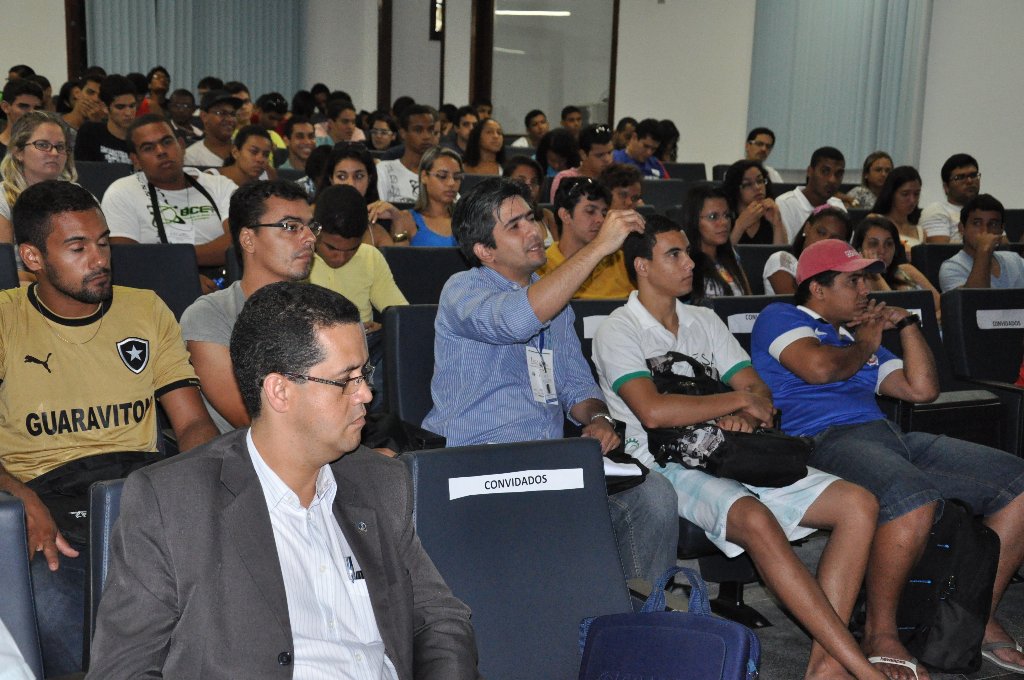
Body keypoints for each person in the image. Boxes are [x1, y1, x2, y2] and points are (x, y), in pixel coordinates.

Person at [88, 281, 481, 679]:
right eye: (347, 379)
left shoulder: (379, 481)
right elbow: (123, 669)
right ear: (280, 391)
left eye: (365, 373)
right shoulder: (173, 503)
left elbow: (439, 619)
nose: (366, 393)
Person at [593, 216, 885, 680]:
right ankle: (858, 666)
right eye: (674, 254)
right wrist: (735, 401)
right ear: (642, 266)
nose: (690, 263)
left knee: (857, 504)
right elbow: (654, 412)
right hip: (663, 461)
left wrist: (746, 414)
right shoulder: (619, 329)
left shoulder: (704, 320)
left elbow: (757, 390)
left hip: (732, 448)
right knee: (755, 519)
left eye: (688, 253)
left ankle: (826, 667)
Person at [751, 238, 1024, 680]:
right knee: (912, 498)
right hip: (821, 440)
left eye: (867, 279)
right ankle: (881, 634)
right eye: (853, 281)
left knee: (1017, 483)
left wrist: (907, 324)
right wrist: (866, 342)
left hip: (888, 437)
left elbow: (921, 389)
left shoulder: (858, 339)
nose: (866, 290)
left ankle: (974, 616)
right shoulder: (782, 317)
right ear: (817, 289)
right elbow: (818, 369)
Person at [2, 180, 218, 676]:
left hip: (138, 493)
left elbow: (191, 422)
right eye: (77, 248)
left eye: (103, 242)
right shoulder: (5, 319)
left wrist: (203, 482)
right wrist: (19, 499)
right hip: (47, 503)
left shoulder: (145, 309)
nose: (99, 259)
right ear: (33, 257)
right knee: (57, 614)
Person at [422, 177, 679, 587]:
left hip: (545, 463)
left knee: (653, 496)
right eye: (515, 226)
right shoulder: (463, 289)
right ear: (485, 251)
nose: (533, 231)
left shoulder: (554, 302)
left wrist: (598, 419)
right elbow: (515, 321)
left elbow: (578, 387)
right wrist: (598, 247)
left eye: (531, 218)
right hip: (476, 465)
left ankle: (640, 613)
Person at [180, 180, 319, 433]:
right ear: (248, 239)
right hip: (253, 454)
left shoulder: (321, 311)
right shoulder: (210, 316)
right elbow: (253, 420)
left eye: (311, 227)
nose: (309, 238)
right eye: (291, 227)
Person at [103, 114, 236, 288]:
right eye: (148, 148)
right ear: (136, 159)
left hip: (225, 283)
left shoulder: (220, 185)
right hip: (158, 286)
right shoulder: (122, 192)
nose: (161, 151)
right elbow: (125, 259)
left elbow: (240, 241)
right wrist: (182, 275)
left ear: (181, 145)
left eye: (167, 142)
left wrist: (173, 259)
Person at [310, 184, 408, 407]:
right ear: (316, 231)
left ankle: (377, 417)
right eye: (332, 248)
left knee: (395, 343)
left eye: (351, 250)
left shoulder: (369, 257)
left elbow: (402, 314)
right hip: (314, 349)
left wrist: (386, 326)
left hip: (363, 352)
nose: (340, 258)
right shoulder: (297, 258)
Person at [0, 112, 77, 268]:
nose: (54, 153)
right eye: (42, 145)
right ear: (18, 152)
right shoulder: (2, 198)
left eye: (60, 147)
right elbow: (4, 270)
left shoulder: (79, 196)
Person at [537, 177, 633, 299]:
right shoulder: (540, 266)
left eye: (604, 213)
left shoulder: (622, 262)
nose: (600, 220)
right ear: (565, 215)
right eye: (590, 211)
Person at [851, 216, 940, 317]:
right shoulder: (859, 282)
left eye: (889, 244)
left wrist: (930, 321)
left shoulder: (907, 270)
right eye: (874, 244)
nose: (882, 251)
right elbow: (895, 316)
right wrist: (875, 271)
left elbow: (942, 307)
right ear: (859, 248)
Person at [317, 142, 399, 247]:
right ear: (331, 179)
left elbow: (400, 257)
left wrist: (397, 220)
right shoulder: (310, 218)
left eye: (359, 176)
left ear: (369, 179)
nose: (351, 184)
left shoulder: (379, 223)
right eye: (342, 177)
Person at [939, 193, 1024, 291]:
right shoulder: (952, 268)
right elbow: (976, 299)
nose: (985, 231)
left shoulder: (1015, 261)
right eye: (977, 223)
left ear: (1001, 230)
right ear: (962, 228)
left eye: (993, 224)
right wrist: (984, 251)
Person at [681, 184, 751, 300]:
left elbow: (749, 300)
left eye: (726, 215)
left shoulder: (731, 257)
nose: (724, 222)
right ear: (694, 220)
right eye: (713, 217)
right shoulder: (685, 262)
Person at [762, 207, 851, 295]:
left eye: (834, 239)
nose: (825, 241)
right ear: (807, 228)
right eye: (821, 232)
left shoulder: (840, 275)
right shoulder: (783, 260)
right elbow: (795, 303)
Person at [390, 146, 462, 247]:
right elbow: (398, 255)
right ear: (424, 177)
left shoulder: (468, 220)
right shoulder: (407, 219)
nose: (451, 183)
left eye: (457, 177)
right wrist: (398, 224)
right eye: (442, 176)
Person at [775, 146, 847, 240]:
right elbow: (785, 247)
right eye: (825, 171)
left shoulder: (838, 206)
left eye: (838, 174)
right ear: (810, 171)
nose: (832, 180)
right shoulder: (785, 203)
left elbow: (848, 246)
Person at [377, 104, 440, 204]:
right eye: (418, 130)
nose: (427, 136)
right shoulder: (383, 170)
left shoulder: (442, 174)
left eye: (430, 130)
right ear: (403, 133)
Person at [74, 74, 137, 164]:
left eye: (132, 106)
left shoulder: (142, 138)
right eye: (120, 107)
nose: (128, 113)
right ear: (105, 107)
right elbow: (82, 169)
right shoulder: (90, 133)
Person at [921, 153, 981, 244]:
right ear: (946, 187)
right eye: (960, 177)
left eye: (973, 175)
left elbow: (1002, 244)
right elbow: (940, 251)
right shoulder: (937, 210)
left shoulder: (987, 211)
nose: (969, 181)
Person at [722, 159, 786, 244]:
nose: (757, 187)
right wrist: (740, 226)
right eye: (748, 184)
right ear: (735, 189)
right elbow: (723, 252)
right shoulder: (725, 218)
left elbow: (781, 252)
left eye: (760, 181)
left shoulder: (771, 214)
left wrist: (777, 224)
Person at [549, 123, 615, 201]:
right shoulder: (566, 178)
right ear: (583, 154)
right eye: (600, 155)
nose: (607, 159)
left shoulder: (616, 178)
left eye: (610, 152)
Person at [505, 155, 558, 245]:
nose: (529, 188)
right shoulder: (497, 218)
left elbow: (559, 251)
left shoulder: (547, 216)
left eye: (533, 182)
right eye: (521, 181)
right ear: (506, 183)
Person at [871, 165, 924, 253]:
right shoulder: (875, 221)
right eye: (905, 194)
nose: (912, 200)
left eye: (916, 194)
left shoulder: (920, 232)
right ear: (891, 194)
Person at [184, 89, 242, 167]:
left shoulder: (244, 152)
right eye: (222, 113)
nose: (230, 119)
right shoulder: (191, 158)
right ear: (204, 116)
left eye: (233, 114)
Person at [207, 124, 274, 188]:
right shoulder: (211, 180)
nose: (260, 159)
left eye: (266, 155)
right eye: (254, 152)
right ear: (235, 152)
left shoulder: (268, 176)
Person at [0, 78, 44, 160]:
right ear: (5, 107)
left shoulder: (50, 148)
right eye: (24, 106)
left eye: (37, 108)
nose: (32, 112)